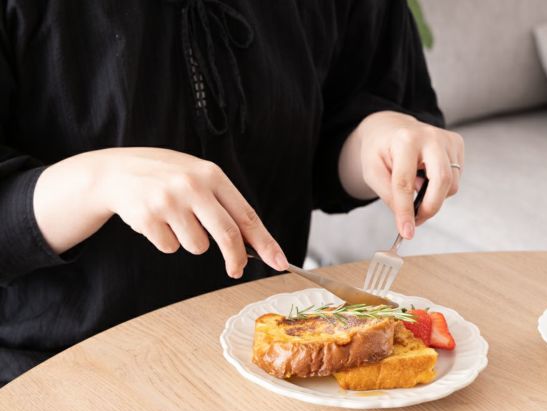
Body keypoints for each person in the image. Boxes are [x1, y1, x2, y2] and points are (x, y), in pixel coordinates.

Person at [0, 1, 463, 385]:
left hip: (269, 359)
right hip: (59, 372)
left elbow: (331, 134)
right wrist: (95, 181)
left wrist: (377, 137)